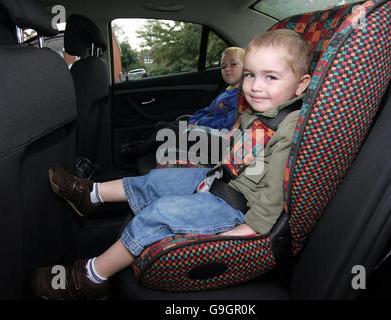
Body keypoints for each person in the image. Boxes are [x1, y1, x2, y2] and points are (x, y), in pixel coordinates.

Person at [30, 29, 312, 300]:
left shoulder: (288, 127)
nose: (255, 86)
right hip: (223, 178)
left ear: (301, 84)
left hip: (238, 209)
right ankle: (90, 194)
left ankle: (92, 279)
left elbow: (274, 195)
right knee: (157, 180)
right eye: (250, 75)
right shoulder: (261, 111)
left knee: (160, 212)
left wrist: (243, 233)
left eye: (271, 77)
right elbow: (241, 150)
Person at [119, 47, 245, 163]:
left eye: (233, 64)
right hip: (203, 128)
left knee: (168, 131)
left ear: (246, 67)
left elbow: (230, 123)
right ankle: (144, 142)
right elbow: (207, 110)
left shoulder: (243, 96)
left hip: (216, 137)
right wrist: (193, 120)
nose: (227, 69)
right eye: (223, 66)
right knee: (163, 124)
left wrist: (201, 123)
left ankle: (139, 149)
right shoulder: (227, 91)